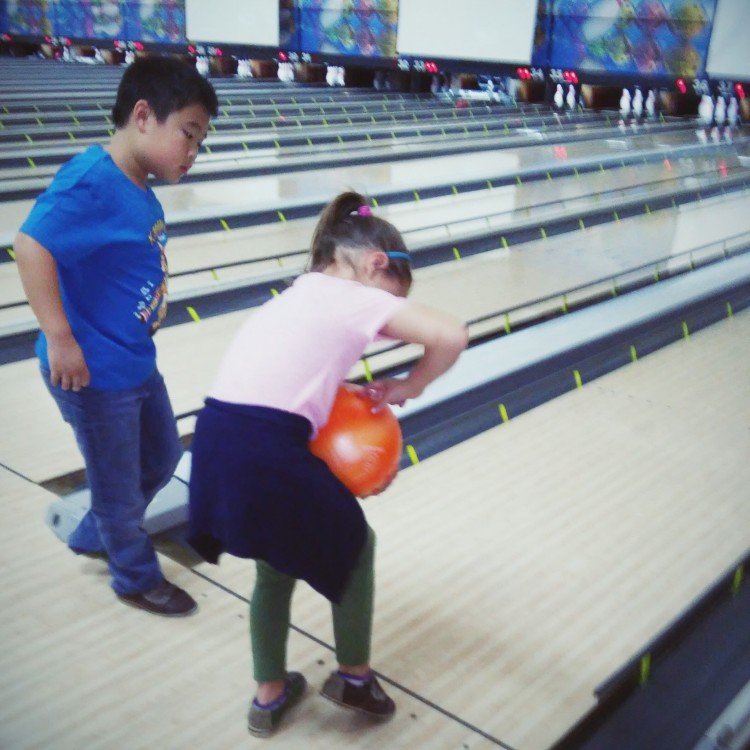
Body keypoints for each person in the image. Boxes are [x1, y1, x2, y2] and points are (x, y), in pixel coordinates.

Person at [188, 191, 468, 736]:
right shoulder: (354, 293)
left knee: (275, 565)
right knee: (357, 547)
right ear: (375, 265)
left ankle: (268, 695)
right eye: (392, 299)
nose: (387, 320)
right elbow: (451, 335)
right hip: (268, 445)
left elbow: (292, 377)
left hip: (217, 437)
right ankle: (354, 679)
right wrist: (410, 384)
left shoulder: (296, 294)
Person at [13, 56, 219, 617]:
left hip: (132, 361)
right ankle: (133, 576)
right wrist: (60, 338)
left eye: (199, 141)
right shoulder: (91, 178)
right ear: (144, 115)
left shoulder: (138, 186)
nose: (193, 153)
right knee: (118, 486)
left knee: (161, 458)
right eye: (189, 134)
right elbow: (31, 245)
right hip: (93, 373)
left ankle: (93, 534)